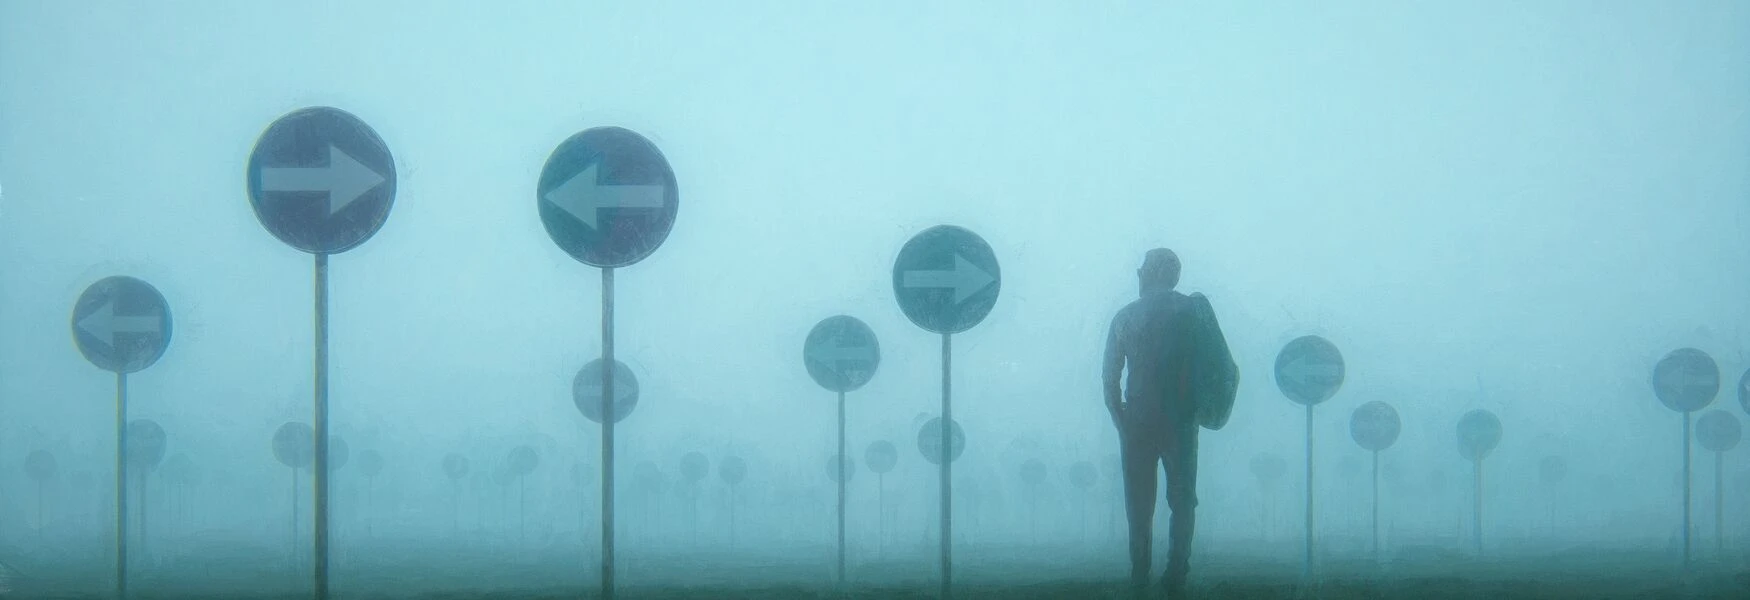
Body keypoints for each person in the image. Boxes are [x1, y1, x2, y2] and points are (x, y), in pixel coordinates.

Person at [1103, 248, 1223, 598]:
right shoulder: (1192, 312)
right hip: (1182, 420)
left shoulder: (1125, 317)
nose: (1138, 276)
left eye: (1141, 271)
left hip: (1136, 421)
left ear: (1152, 273)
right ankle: (1176, 571)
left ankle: (1140, 572)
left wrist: (1121, 421)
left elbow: (1110, 380)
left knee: (1138, 504)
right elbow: (1216, 367)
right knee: (1183, 499)